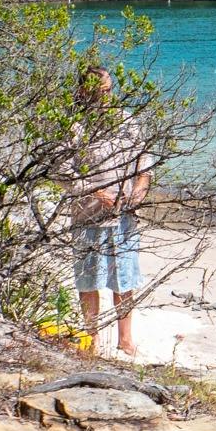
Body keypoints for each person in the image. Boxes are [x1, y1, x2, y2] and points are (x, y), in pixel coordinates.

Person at [70, 65, 152, 357]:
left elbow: (144, 161)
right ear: (83, 91)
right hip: (87, 215)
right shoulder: (74, 126)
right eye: (99, 91)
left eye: (108, 90)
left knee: (125, 279)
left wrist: (140, 188)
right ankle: (91, 339)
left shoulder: (127, 121)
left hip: (125, 216)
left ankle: (125, 339)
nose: (106, 96)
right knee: (88, 280)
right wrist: (96, 192)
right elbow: (62, 173)